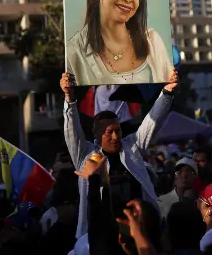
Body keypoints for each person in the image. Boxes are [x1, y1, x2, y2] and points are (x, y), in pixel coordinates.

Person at [61, 69, 178, 239]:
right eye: (109, 132)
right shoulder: (85, 155)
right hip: (101, 237)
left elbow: (153, 120)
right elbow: (72, 129)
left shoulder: (132, 146)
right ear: (98, 135)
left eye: (118, 130)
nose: (116, 137)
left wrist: (167, 92)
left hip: (139, 232)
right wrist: (69, 97)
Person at [65, 0, 174, 86]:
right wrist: (68, 95)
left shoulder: (152, 41)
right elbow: (73, 104)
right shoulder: (74, 52)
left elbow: (169, 95)